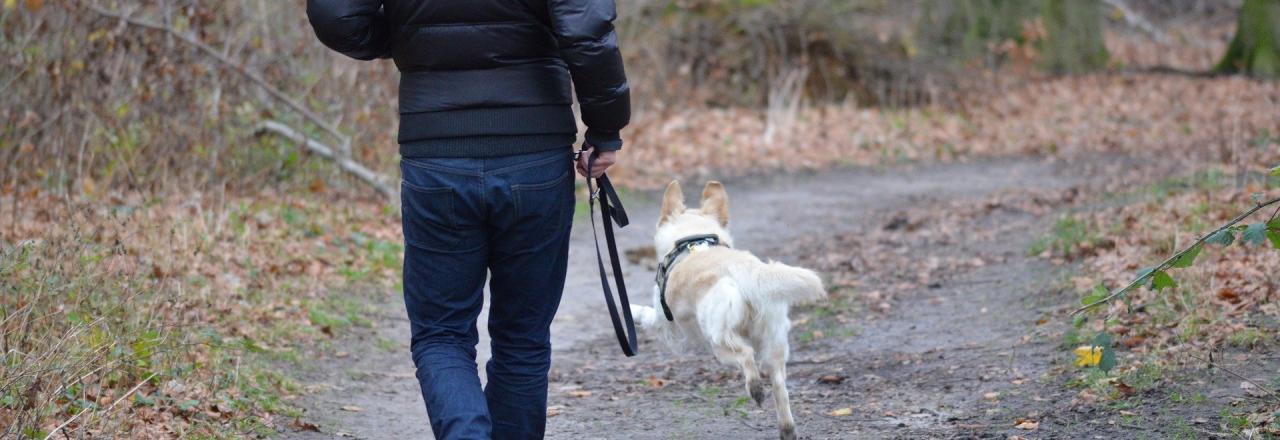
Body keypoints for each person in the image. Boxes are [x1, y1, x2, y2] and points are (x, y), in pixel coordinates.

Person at [306, 1, 630, 439]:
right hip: (534, 152)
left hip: (436, 153)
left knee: (442, 335)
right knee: (523, 337)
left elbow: (336, 14)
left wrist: (410, 38)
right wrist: (605, 127)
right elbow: (586, 29)